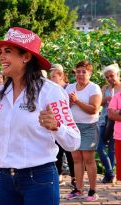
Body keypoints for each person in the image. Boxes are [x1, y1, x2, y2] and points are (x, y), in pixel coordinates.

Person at [0, 27, 81, 205]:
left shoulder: (50, 92)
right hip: (5, 180)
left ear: (26, 57)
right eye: (1, 52)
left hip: (40, 180)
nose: (1, 57)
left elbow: (74, 142)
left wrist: (57, 126)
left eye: (8, 51)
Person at [65, 60, 102, 201]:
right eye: (78, 71)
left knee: (88, 159)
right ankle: (78, 189)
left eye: (84, 71)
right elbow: (64, 107)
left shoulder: (94, 88)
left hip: (89, 127)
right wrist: (69, 101)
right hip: (72, 126)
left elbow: (94, 110)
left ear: (90, 73)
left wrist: (77, 101)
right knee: (76, 159)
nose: (80, 74)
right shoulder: (69, 88)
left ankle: (92, 191)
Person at [49, 64, 76, 187]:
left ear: (60, 75)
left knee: (70, 152)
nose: (51, 79)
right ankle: (58, 175)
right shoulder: (51, 89)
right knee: (58, 152)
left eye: (53, 76)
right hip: (55, 126)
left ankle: (74, 177)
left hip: (69, 125)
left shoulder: (69, 88)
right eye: (50, 76)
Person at [97, 63, 121, 183]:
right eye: (107, 77)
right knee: (99, 147)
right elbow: (99, 103)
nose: (110, 79)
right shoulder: (105, 88)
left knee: (112, 149)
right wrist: (106, 99)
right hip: (104, 121)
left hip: (116, 122)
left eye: (112, 76)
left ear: (118, 74)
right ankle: (110, 172)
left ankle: (109, 175)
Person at [108, 73, 121, 181]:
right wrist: (116, 112)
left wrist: (119, 112)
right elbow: (111, 114)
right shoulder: (117, 97)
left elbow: (115, 113)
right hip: (119, 136)